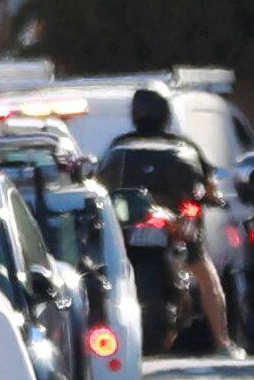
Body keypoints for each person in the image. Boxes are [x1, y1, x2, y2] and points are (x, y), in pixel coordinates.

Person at [99, 85, 232, 352]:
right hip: (173, 227)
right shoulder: (184, 147)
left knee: (104, 276)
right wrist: (212, 197)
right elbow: (209, 187)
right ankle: (223, 342)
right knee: (206, 276)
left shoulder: (119, 147)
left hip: (130, 226)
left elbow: (99, 184)